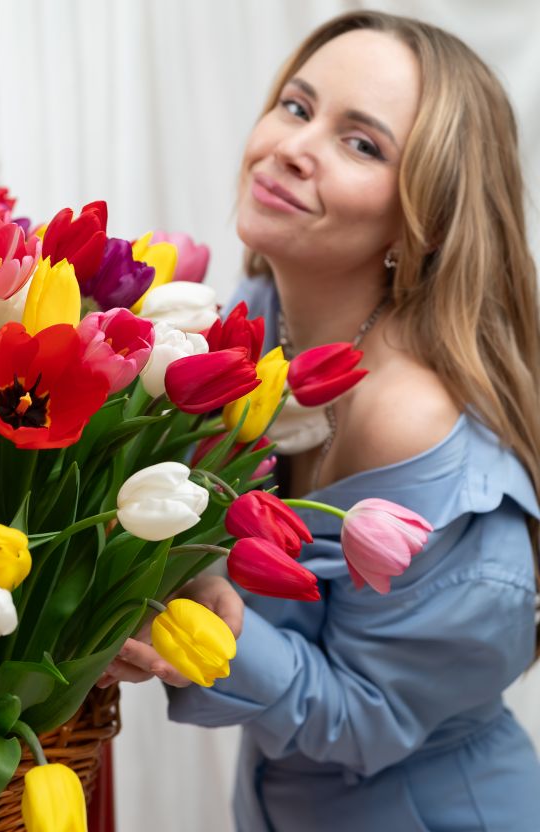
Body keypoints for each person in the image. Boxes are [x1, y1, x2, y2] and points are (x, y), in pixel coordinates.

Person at [97, 10, 540, 831]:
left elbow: (370, 717)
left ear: (425, 221)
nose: (295, 147)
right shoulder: (259, 319)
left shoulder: (409, 420)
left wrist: (208, 622)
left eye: (361, 143)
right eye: (297, 107)